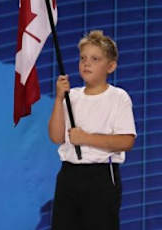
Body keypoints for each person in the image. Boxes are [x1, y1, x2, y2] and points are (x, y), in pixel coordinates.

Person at [48, 30, 136, 230]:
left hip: (101, 176)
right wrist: (59, 98)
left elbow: (126, 141)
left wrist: (86, 138)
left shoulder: (118, 97)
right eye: (83, 58)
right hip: (69, 175)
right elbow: (56, 136)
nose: (86, 63)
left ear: (111, 66)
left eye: (95, 59)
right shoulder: (73, 97)